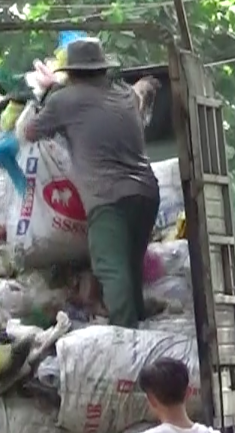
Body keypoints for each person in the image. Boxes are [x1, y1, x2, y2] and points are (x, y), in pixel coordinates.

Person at [22, 37, 160, 328]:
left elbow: (31, 132)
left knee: (110, 268)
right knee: (130, 266)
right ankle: (140, 327)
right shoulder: (123, 93)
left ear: (71, 73)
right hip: (146, 193)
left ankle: (126, 336)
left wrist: (44, 96)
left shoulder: (65, 100)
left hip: (108, 198)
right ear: (101, 68)